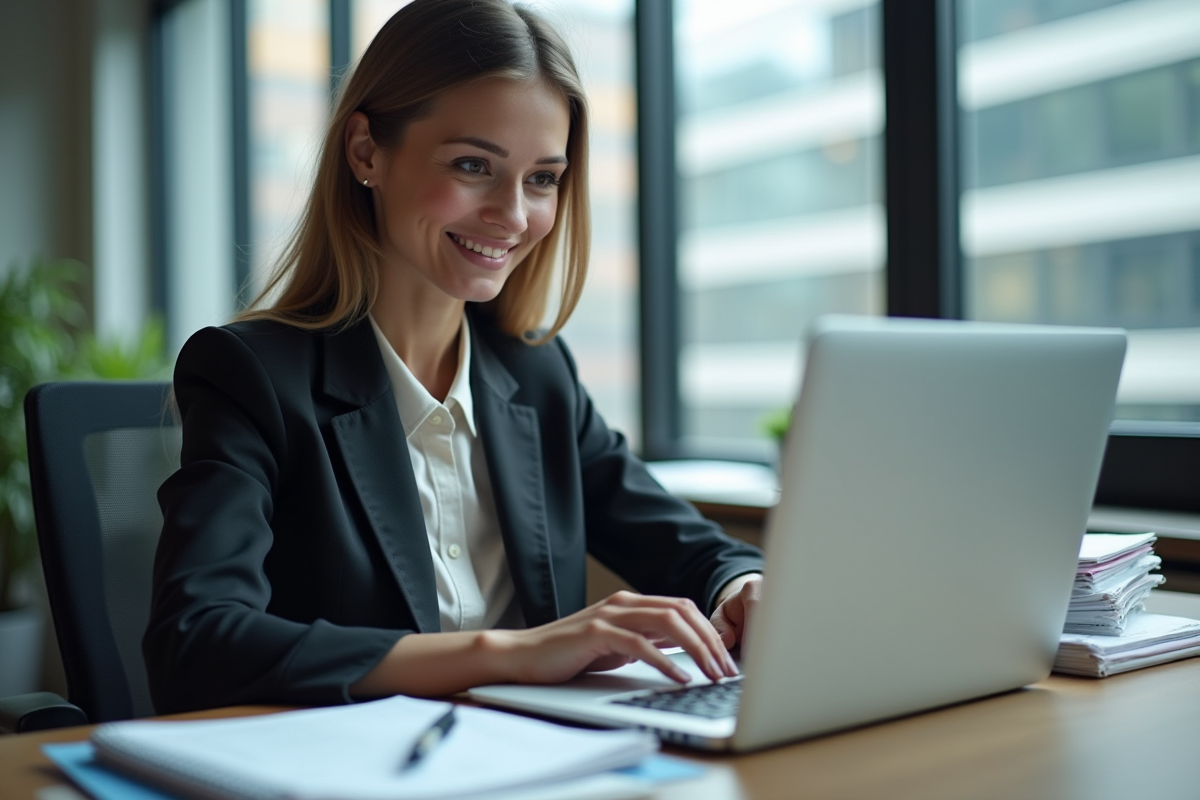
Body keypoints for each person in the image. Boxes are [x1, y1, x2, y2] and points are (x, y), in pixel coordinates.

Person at [143, 0, 764, 715]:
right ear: (365, 153)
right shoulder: (251, 374)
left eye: (542, 179)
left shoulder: (536, 374)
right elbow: (194, 642)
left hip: (537, 759)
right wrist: (514, 652)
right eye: (474, 165)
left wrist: (742, 585)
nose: (513, 214)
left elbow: (688, 545)